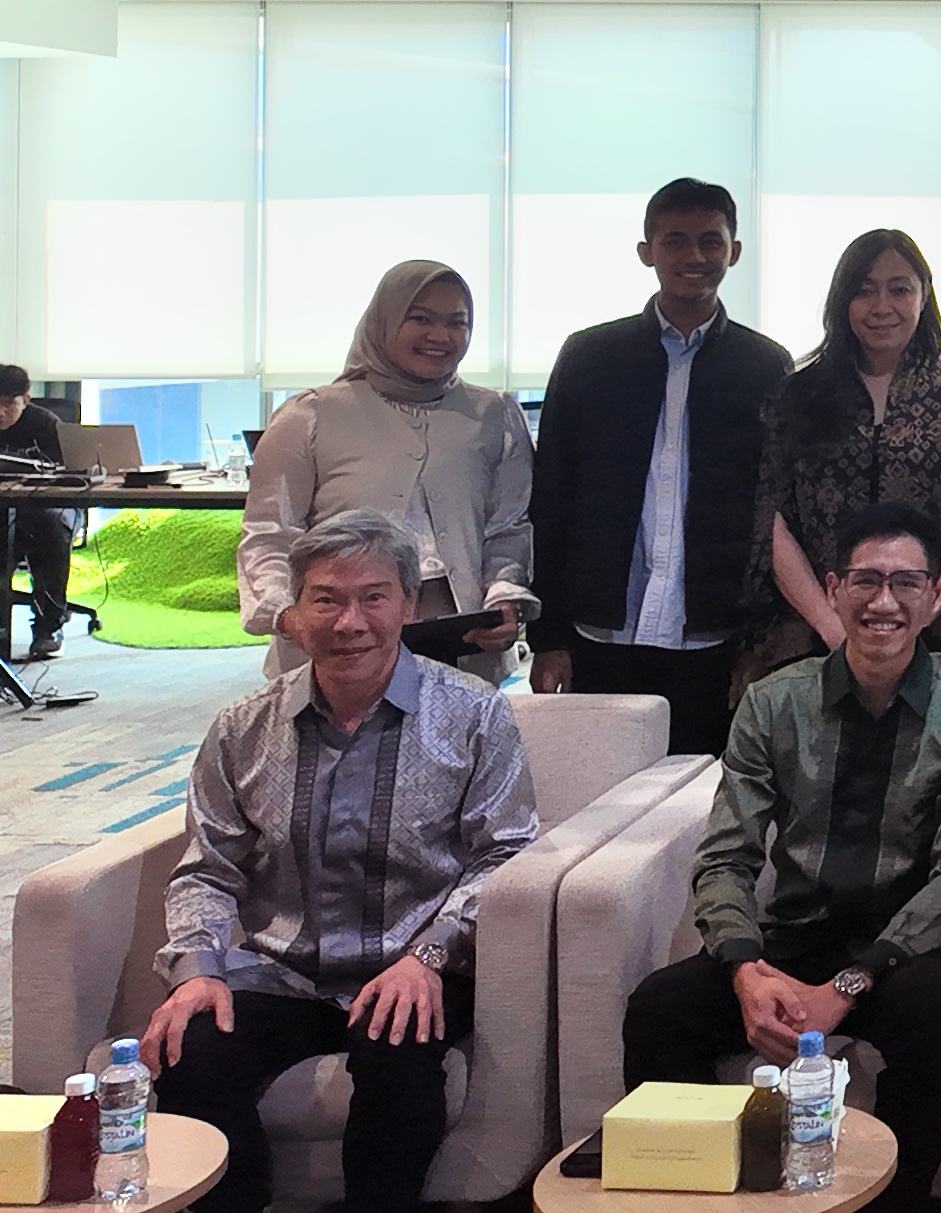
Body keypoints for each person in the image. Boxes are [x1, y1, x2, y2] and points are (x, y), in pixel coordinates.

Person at [146, 509, 540, 1213]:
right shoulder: (244, 726)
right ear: (294, 614)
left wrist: (428, 955)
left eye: (373, 596)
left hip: (415, 965)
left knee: (398, 1057)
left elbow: (504, 854)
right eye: (326, 598)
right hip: (287, 971)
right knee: (191, 1050)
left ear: (407, 606)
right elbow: (208, 867)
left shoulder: (474, 715)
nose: (349, 620)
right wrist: (196, 970)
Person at [622, 502, 941, 1213]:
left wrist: (849, 984)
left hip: (910, 950)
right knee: (660, 1006)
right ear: (831, 589)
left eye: (904, 583)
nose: (882, 602)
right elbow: (725, 856)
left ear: (934, 595)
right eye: (865, 580)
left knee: (936, 1006)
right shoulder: (773, 702)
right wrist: (743, 966)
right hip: (797, 937)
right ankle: (695, 1196)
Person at [529, 178, 793, 756]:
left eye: (710, 241)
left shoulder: (766, 366)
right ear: (647, 250)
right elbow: (550, 501)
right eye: (675, 241)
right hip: (598, 635)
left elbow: (775, 515)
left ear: (735, 251)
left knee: (704, 808)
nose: (693, 257)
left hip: (716, 643)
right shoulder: (588, 357)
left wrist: (760, 645)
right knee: (596, 805)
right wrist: (547, 637)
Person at [241, 261, 536, 683]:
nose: (441, 336)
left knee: (451, 745)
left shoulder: (495, 415)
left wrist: (505, 600)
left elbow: (507, 529)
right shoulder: (312, 414)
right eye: (420, 319)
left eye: (458, 322)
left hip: (460, 635)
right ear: (384, 320)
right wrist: (287, 615)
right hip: (338, 632)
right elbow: (268, 532)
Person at [744, 230, 941, 681]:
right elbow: (775, 523)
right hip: (811, 634)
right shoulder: (797, 395)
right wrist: (835, 630)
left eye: (899, 289)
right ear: (842, 302)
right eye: (864, 291)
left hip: (929, 633)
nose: (882, 306)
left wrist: (913, 619)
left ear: (924, 297)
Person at [0, 364, 70, 659]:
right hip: (4, 511)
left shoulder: (47, 425)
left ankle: (49, 626)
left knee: (50, 530)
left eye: (8, 404)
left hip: (44, 509)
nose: (1, 413)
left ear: (25, 399)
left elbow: (70, 476)